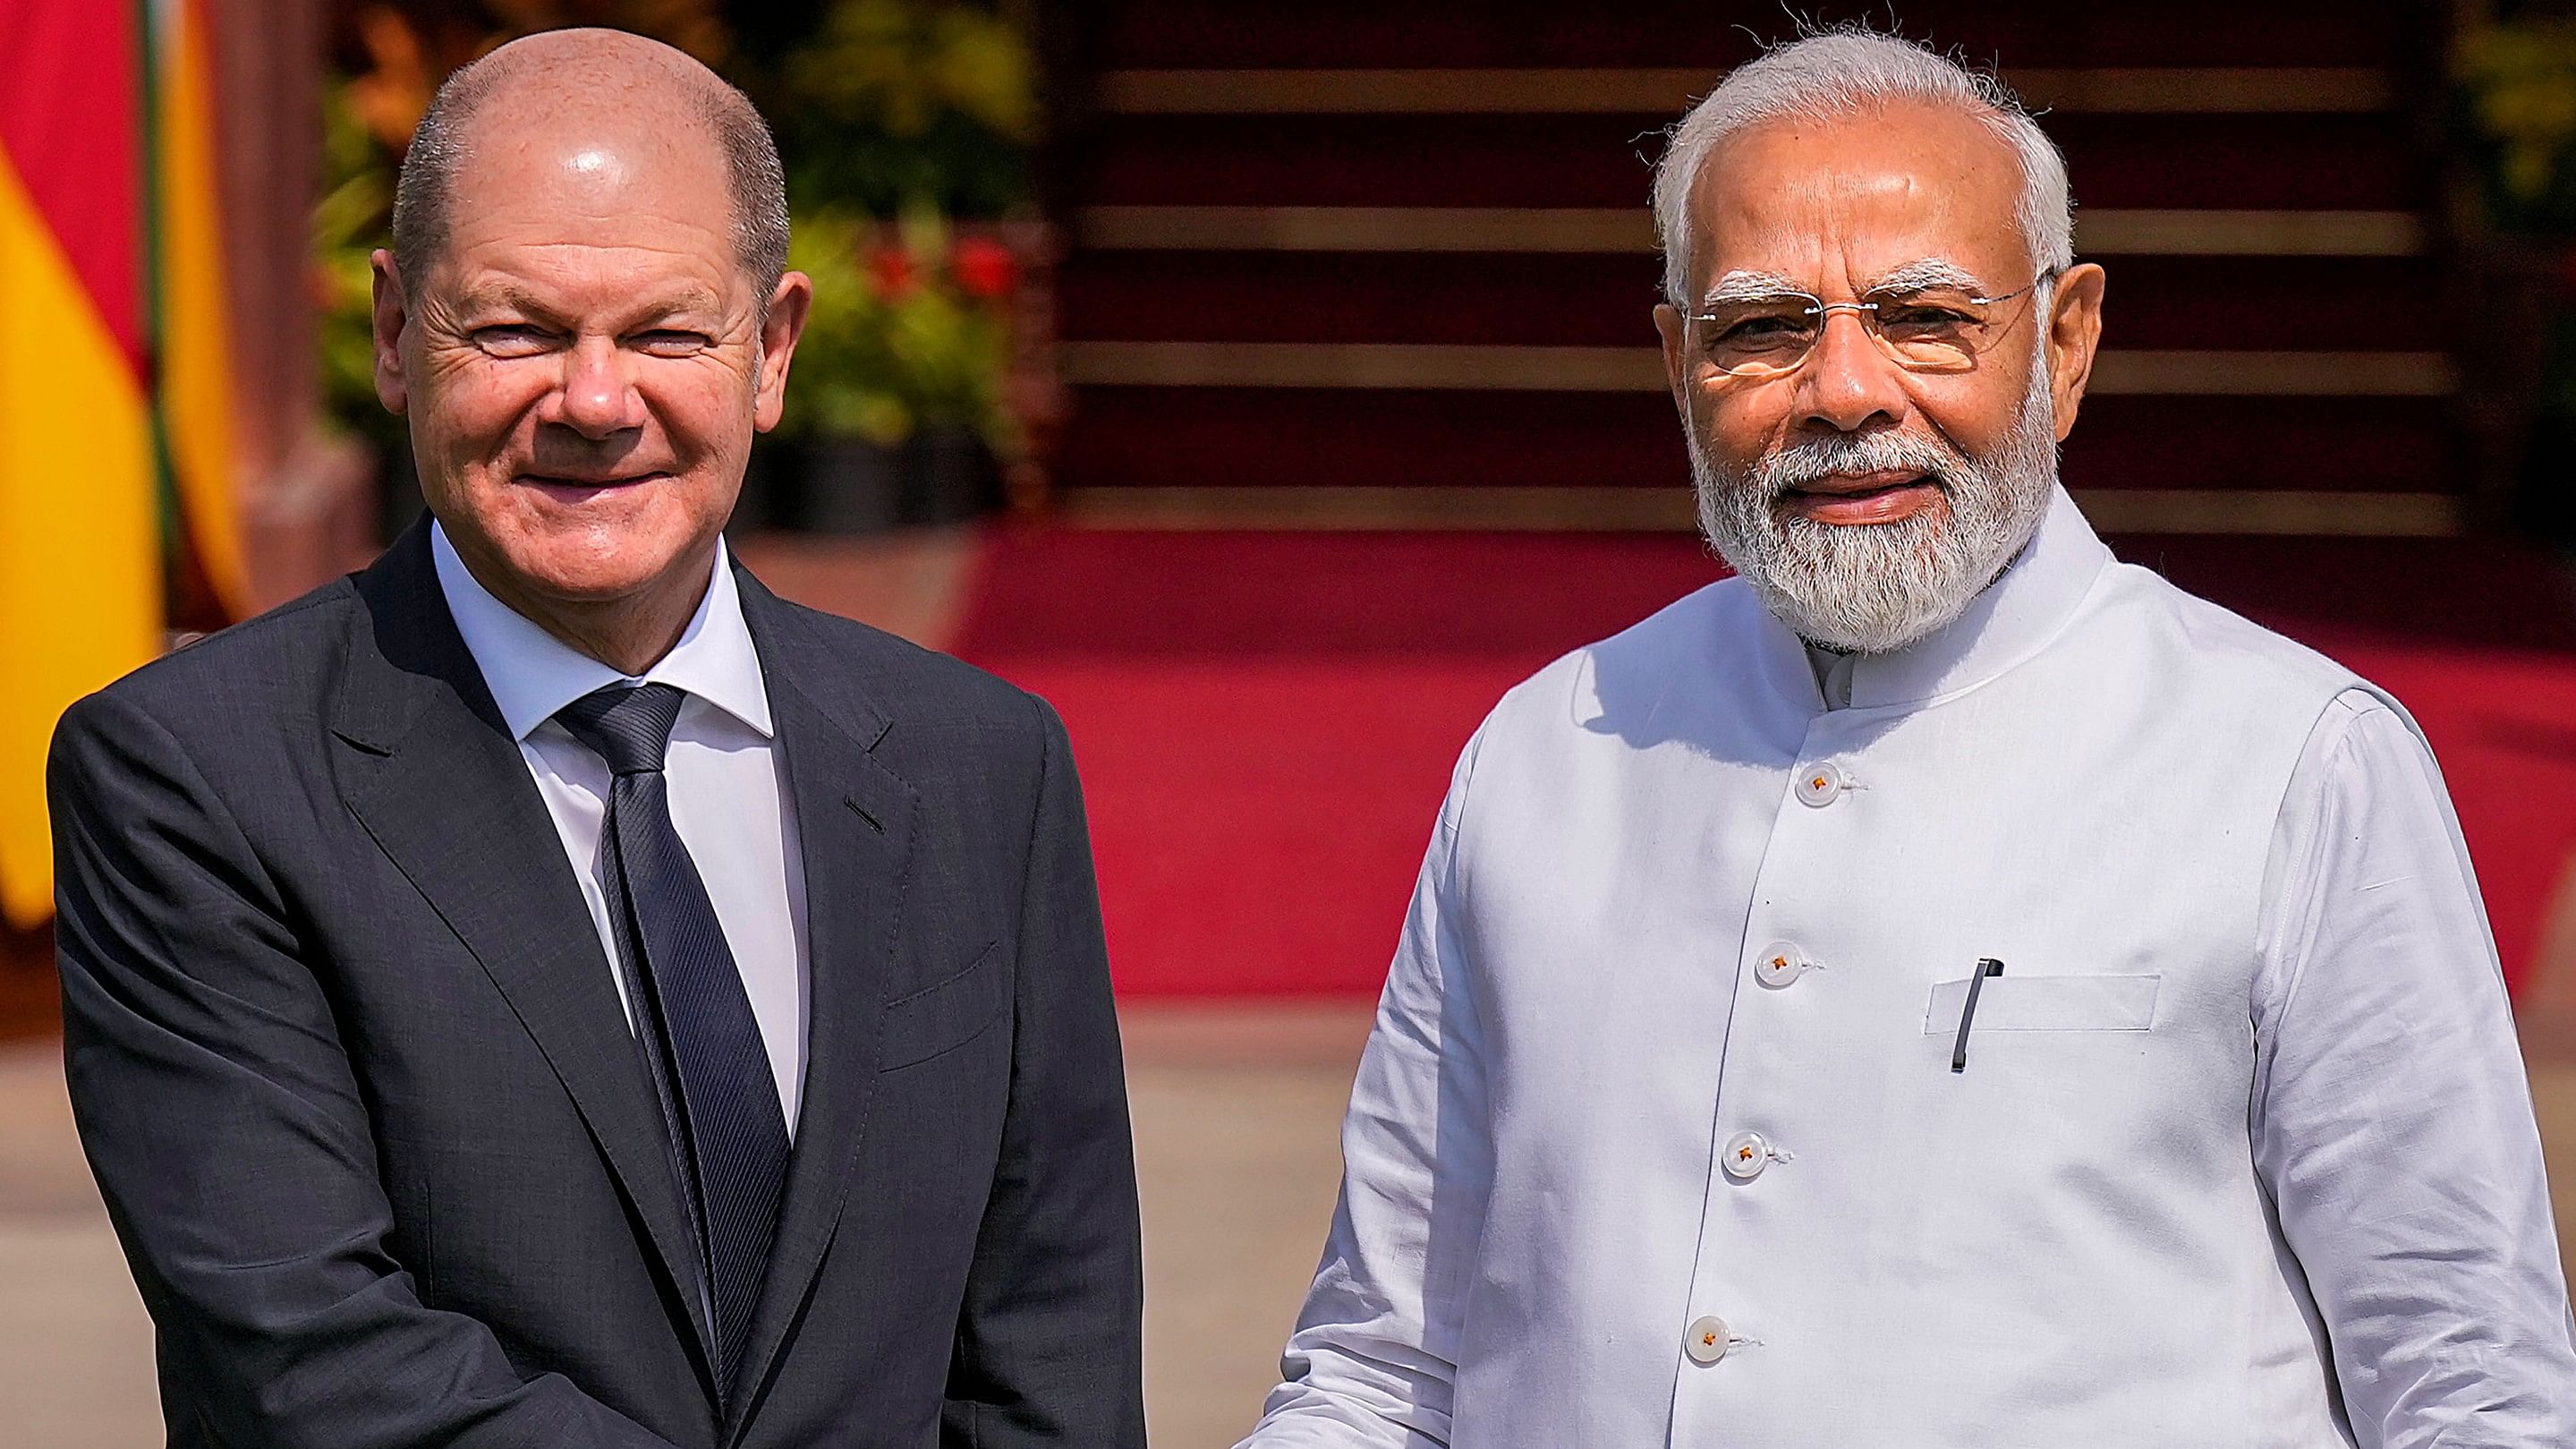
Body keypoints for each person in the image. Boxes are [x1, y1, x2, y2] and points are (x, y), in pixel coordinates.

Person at [1240, 27, 2576, 1448]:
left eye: (1925, 317)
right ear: (1676, 361)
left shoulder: (2291, 759)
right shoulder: (1549, 752)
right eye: (1762, 328)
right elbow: (1383, 1371)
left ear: (2066, 345)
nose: (1843, 393)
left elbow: (2469, 1383)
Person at [49, 30, 1142, 1449]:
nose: (595, 400)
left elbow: (1052, 1356)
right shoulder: (197, 780)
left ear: (774, 351)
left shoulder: (980, 768)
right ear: (394, 334)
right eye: (515, 329)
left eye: (667, 333)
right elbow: (311, 1366)